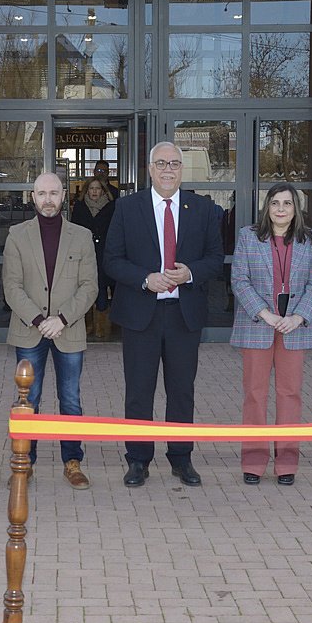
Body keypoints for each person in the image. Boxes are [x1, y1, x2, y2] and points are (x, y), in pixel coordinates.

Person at [104, 141, 225, 487]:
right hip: (141, 315)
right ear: (150, 169)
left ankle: (181, 458)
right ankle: (138, 459)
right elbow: (111, 260)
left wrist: (191, 273)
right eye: (161, 163)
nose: (168, 169)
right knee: (139, 391)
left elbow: (216, 258)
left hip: (183, 316)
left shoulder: (202, 208)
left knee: (182, 391)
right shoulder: (127, 208)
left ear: (182, 169)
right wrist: (145, 279)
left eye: (174, 163)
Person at [4, 172, 99, 489]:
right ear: (33, 197)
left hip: (67, 330)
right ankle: (25, 463)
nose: (48, 199)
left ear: (63, 196)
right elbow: (11, 286)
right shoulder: (17, 235)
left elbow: (89, 286)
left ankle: (73, 462)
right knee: (28, 400)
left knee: (70, 400)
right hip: (29, 331)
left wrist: (62, 318)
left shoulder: (81, 236)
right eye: (42, 193)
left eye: (54, 193)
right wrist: (38, 319)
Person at [230, 183, 312, 486]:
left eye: (287, 203)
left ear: (296, 208)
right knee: (254, 395)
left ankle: (286, 464)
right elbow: (239, 280)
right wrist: (265, 313)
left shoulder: (311, 240)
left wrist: (298, 316)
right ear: (267, 207)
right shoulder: (248, 237)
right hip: (258, 325)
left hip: (294, 328)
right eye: (275, 203)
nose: (281, 209)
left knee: (290, 395)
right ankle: (254, 462)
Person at [69, 176, 116, 338]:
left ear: (103, 191)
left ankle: (102, 328)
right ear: (86, 191)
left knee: (102, 287)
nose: (94, 191)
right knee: (84, 288)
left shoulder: (112, 207)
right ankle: (87, 325)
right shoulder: (80, 207)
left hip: (104, 253)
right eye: (91, 188)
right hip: (84, 254)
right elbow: (73, 231)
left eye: (97, 188)